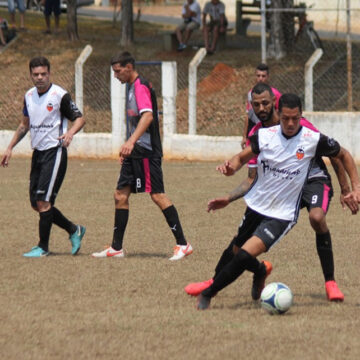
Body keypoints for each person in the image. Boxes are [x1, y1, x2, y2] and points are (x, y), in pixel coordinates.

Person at [187, 83, 358, 302]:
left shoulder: (302, 127)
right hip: (278, 187)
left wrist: (347, 190)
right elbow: (251, 176)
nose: (261, 108)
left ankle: (330, 282)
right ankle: (216, 281)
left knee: (316, 217)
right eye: (256, 104)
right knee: (240, 244)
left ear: (274, 104)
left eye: (265, 103)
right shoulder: (260, 135)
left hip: (312, 180)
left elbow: (337, 154)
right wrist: (229, 197)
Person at [91, 51, 193, 261]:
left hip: (147, 151)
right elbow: (137, 120)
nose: (116, 75)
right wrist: (128, 148)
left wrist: (131, 142)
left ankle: (183, 244)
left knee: (157, 195)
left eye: (118, 71)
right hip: (135, 153)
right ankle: (116, 248)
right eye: (114, 72)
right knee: (120, 195)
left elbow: (147, 116)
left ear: (129, 67)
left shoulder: (140, 86)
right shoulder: (131, 88)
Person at [1, 56, 86, 257]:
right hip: (37, 154)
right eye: (36, 74)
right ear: (30, 75)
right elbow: (24, 124)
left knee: (43, 202)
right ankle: (74, 229)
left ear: (49, 73)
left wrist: (70, 133)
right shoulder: (29, 96)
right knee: (36, 203)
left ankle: (43, 247)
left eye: (43, 74)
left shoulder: (59, 95)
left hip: (54, 152)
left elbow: (80, 119)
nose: (40, 78)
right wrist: (10, 147)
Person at [241, 63, 282, 149]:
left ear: (268, 77)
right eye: (258, 75)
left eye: (263, 76)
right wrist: (245, 136)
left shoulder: (275, 94)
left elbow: (281, 114)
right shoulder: (251, 93)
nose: (260, 78)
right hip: (256, 133)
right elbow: (249, 115)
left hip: (271, 134)